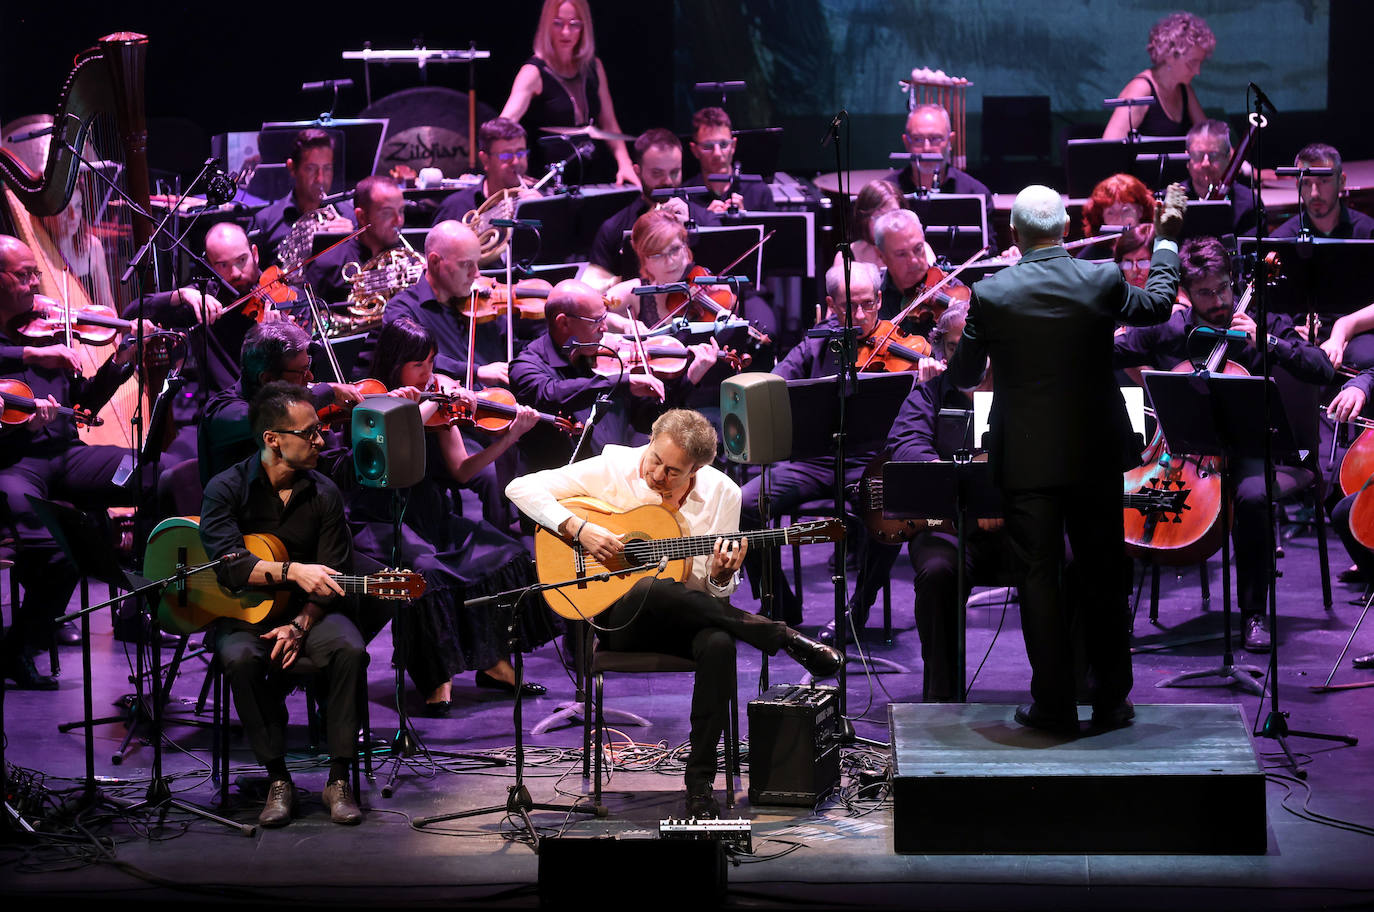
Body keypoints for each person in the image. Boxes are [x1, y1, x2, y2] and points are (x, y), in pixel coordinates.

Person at [505, 408, 842, 818]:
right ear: (649, 440)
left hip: (687, 616)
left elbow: (713, 596)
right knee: (647, 585)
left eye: (673, 472)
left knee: (719, 644)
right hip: (617, 620)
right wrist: (579, 528)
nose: (657, 475)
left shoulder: (724, 495)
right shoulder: (613, 467)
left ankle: (699, 784)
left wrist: (720, 577)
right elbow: (520, 488)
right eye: (655, 460)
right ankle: (780, 635)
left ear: (696, 470)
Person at [944, 183, 1188, 733]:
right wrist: (1167, 239)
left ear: (1014, 234)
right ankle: (1111, 701)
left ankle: (1052, 704)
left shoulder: (991, 292)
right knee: (1104, 573)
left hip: (1027, 463)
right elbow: (1157, 305)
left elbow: (963, 375)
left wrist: (957, 356)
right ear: (1069, 229)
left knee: (1038, 578)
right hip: (1095, 454)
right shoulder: (1101, 277)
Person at [1114, 236, 1334, 652]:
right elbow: (1112, 350)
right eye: (1205, 293)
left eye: (1223, 289)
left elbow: (1321, 368)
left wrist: (1267, 342)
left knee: (1252, 497)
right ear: (1185, 293)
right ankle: (1119, 610)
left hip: (1250, 447)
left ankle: (1253, 614)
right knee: (1121, 499)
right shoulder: (1169, 329)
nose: (1218, 300)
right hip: (1182, 454)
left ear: (1233, 282)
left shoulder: (1261, 322)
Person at [349, 318, 552, 712]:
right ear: (395, 364)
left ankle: (494, 663)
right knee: (428, 573)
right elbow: (386, 456)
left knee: (505, 554)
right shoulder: (368, 405)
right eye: (418, 366)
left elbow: (461, 469)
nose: (430, 374)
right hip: (381, 519)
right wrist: (421, 407)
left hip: (431, 514)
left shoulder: (437, 400)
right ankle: (436, 675)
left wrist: (510, 436)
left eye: (431, 363)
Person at [198, 382, 369, 827]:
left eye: (320, 431)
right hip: (245, 614)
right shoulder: (226, 488)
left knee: (351, 649)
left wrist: (299, 624)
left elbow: (331, 575)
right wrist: (292, 571)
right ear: (272, 438)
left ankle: (339, 777)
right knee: (237, 656)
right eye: (310, 432)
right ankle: (278, 778)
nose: (322, 439)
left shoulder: (325, 493)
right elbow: (230, 567)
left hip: (311, 615)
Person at [0, 235, 157, 687]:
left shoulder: (47, 326)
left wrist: (122, 361)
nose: (36, 283)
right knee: (57, 554)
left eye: (36, 272)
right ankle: (21, 647)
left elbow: (84, 407)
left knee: (151, 476)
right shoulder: (29, 345)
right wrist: (30, 356)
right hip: (13, 463)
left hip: (66, 455)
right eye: (24, 274)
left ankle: (135, 609)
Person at [738, 261, 899, 634]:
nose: (859, 316)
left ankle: (857, 609)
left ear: (879, 298)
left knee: (895, 510)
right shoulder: (816, 341)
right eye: (847, 307)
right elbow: (774, 385)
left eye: (867, 304)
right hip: (812, 463)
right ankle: (779, 602)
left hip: (870, 463)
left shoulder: (899, 343)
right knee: (743, 504)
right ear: (831, 304)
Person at [885, 302, 1011, 701]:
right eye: (958, 347)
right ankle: (942, 699)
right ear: (944, 351)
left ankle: (1067, 693)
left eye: (978, 344)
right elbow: (905, 449)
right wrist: (974, 490)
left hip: (1017, 525)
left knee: (1071, 560)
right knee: (937, 572)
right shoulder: (930, 394)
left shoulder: (1020, 390)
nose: (970, 356)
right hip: (949, 528)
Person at [508, 278, 718, 471]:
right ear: (563, 322)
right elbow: (552, 394)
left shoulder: (609, 361)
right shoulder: (526, 366)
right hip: (559, 491)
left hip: (617, 479)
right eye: (595, 320)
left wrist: (690, 379)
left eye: (605, 318)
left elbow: (647, 421)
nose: (605, 328)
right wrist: (621, 383)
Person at [199, 321, 362, 486]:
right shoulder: (222, 412)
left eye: (309, 366)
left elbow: (332, 470)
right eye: (302, 371)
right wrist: (329, 391)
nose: (310, 377)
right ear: (268, 379)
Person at [500, 0, 637, 187]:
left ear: (584, 27)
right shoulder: (532, 72)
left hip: (591, 177)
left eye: (574, 24)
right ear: (547, 25)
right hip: (547, 181)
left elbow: (610, 124)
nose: (566, 32)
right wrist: (513, 170)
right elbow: (503, 126)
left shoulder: (593, 67)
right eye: (557, 23)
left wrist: (625, 163)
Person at [582, 129, 719, 292]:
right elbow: (595, 287)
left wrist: (689, 233)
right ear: (637, 171)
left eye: (675, 172)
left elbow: (720, 279)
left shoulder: (707, 220)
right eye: (657, 173)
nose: (668, 181)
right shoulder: (613, 228)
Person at [881, 103, 997, 250]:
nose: (927, 148)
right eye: (917, 139)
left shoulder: (976, 193)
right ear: (906, 142)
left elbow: (988, 253)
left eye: (935, 138)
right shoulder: (887, 193)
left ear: (950, 141)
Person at [249, 128, 355, 269]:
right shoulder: (265, 221)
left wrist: (353, 239)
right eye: (311, 169)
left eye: (327, 168)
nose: (320, 178)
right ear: (292, 168)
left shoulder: (349, 216)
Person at [1103, 11, 1214, 140]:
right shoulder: (1140, 89)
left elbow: (1210, 138)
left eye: (1200, 63)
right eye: (1192, 63)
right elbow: (1109, 146)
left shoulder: (1184, 89)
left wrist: (1238, 159)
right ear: (1169, 56)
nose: (1197, 71)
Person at [303, 175, 406, 307]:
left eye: (401, 211)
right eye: (387, 213)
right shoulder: (327, 265)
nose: (399, 221)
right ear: (362, 216)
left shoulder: (408, 261)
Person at [430, 118, 543, 231]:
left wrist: (544, 213)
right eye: (506, 156)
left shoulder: (540, 201)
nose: (516, 161)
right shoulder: (456, 207)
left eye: (520, 153)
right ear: (485, 160)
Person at [872, 207, 959, 335]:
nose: (913, 261)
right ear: (881, 255)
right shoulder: (870, 294)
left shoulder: (952, 288)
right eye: (901, 254)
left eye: (918, 249)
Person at [687, 107, 774, 214]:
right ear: (695, 150)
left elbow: (773, 231)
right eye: (708, 146)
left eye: (723, 144)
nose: (717, 153)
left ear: (733, 146)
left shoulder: (759, 193)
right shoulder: (686, 197)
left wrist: (745, 220)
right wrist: (705, 219)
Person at [1181, 120, 1258, 239]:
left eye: (1214, 155)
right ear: (1187, 158)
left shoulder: (1249, 204)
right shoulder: (1171, 201)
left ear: (1228, 158)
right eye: (1198, 155)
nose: (1205, 163)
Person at [1078, 174, 1155, 258]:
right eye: (1110, 213)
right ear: (1102, 218)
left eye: (1125, 210)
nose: (1118, 219)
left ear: (1140, 211)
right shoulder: (1089, 257)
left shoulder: (1157, 249)